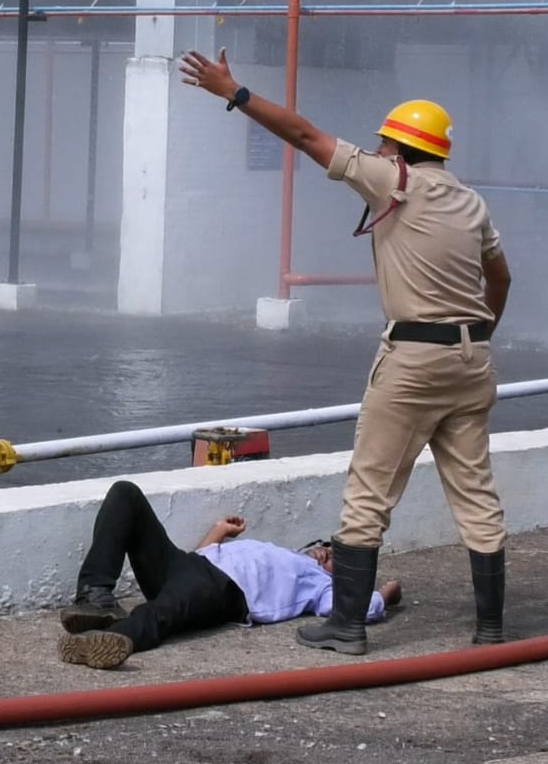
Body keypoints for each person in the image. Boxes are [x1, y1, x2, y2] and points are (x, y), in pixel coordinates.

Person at [178, 49, 512, 656]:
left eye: (384, 142)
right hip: (472, 363)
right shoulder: (471, 202)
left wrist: (234, 92)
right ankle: (491, 629)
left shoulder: (392, 180)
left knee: (368, 495)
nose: (378, 149)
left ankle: (347, 626)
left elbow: (305, 135)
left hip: (414, 360)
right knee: (477, 496)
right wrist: (480, 334)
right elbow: (501, 278)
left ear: (399, 149)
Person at [57, 480, 402, 670]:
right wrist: (219, 532)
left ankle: (109, 640)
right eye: (327, 545)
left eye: (336, 558)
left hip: (223, 590)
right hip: (187, 565)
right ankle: (95, 596)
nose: (327, 551)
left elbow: (361, 606)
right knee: (126, 494)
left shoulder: (321, 587)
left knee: (162, 612)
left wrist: (387, 594)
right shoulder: (287, 555)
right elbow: (203, 555)